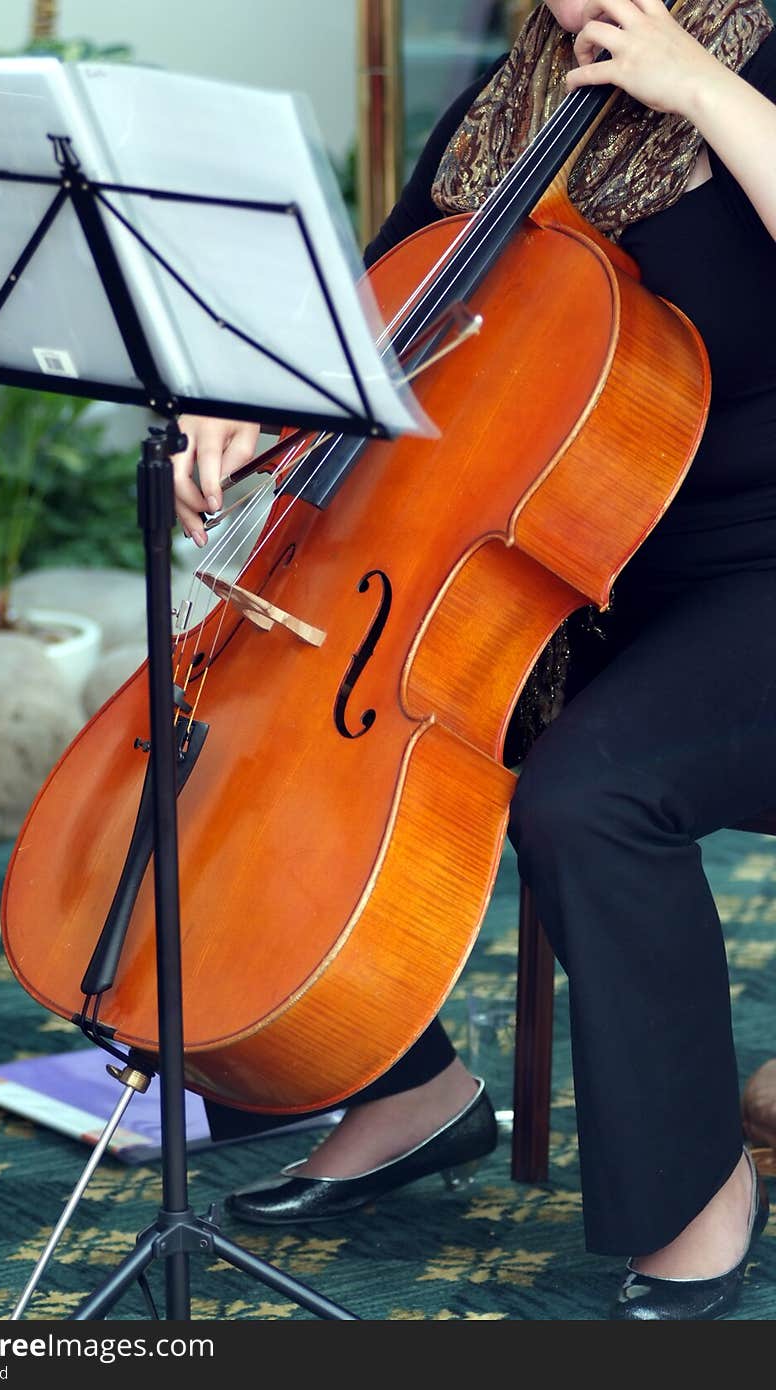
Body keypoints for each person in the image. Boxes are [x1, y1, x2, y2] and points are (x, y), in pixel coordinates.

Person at [169, 0, 776, 1320]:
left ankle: (696, 1187)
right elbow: (365, 324)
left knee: (587, 792)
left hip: (760, 576)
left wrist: (706, 93)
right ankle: (407, 1085)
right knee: (254, 724)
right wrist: (238, 403)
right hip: (566, 564)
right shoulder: (509, 110)